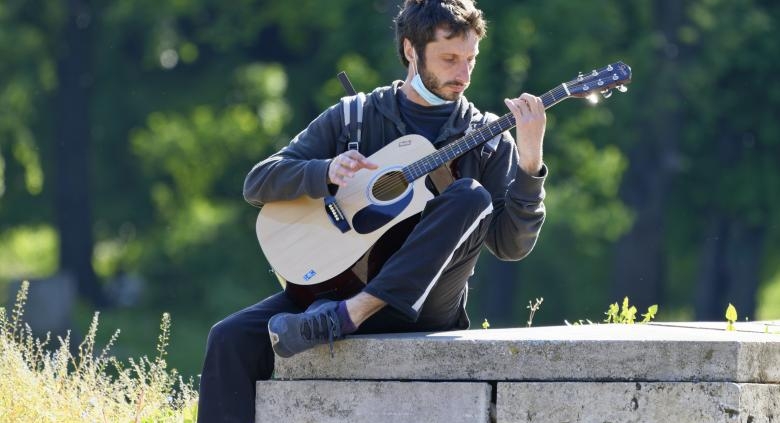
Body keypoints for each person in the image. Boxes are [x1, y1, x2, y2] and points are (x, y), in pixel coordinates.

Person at [197, 0, 547, 421]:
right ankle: (342, 314)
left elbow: (511, 246)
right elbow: (258, 182)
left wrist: (530, 165)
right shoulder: (354, 118)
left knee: (470, 195)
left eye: (471, 59)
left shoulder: (488, 139)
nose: (463, 73)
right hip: (331, 293)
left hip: (425, 305)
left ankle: (350, 316)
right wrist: (324, 171)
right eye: (450, 58)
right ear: (410, 51)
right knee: (229, 337)